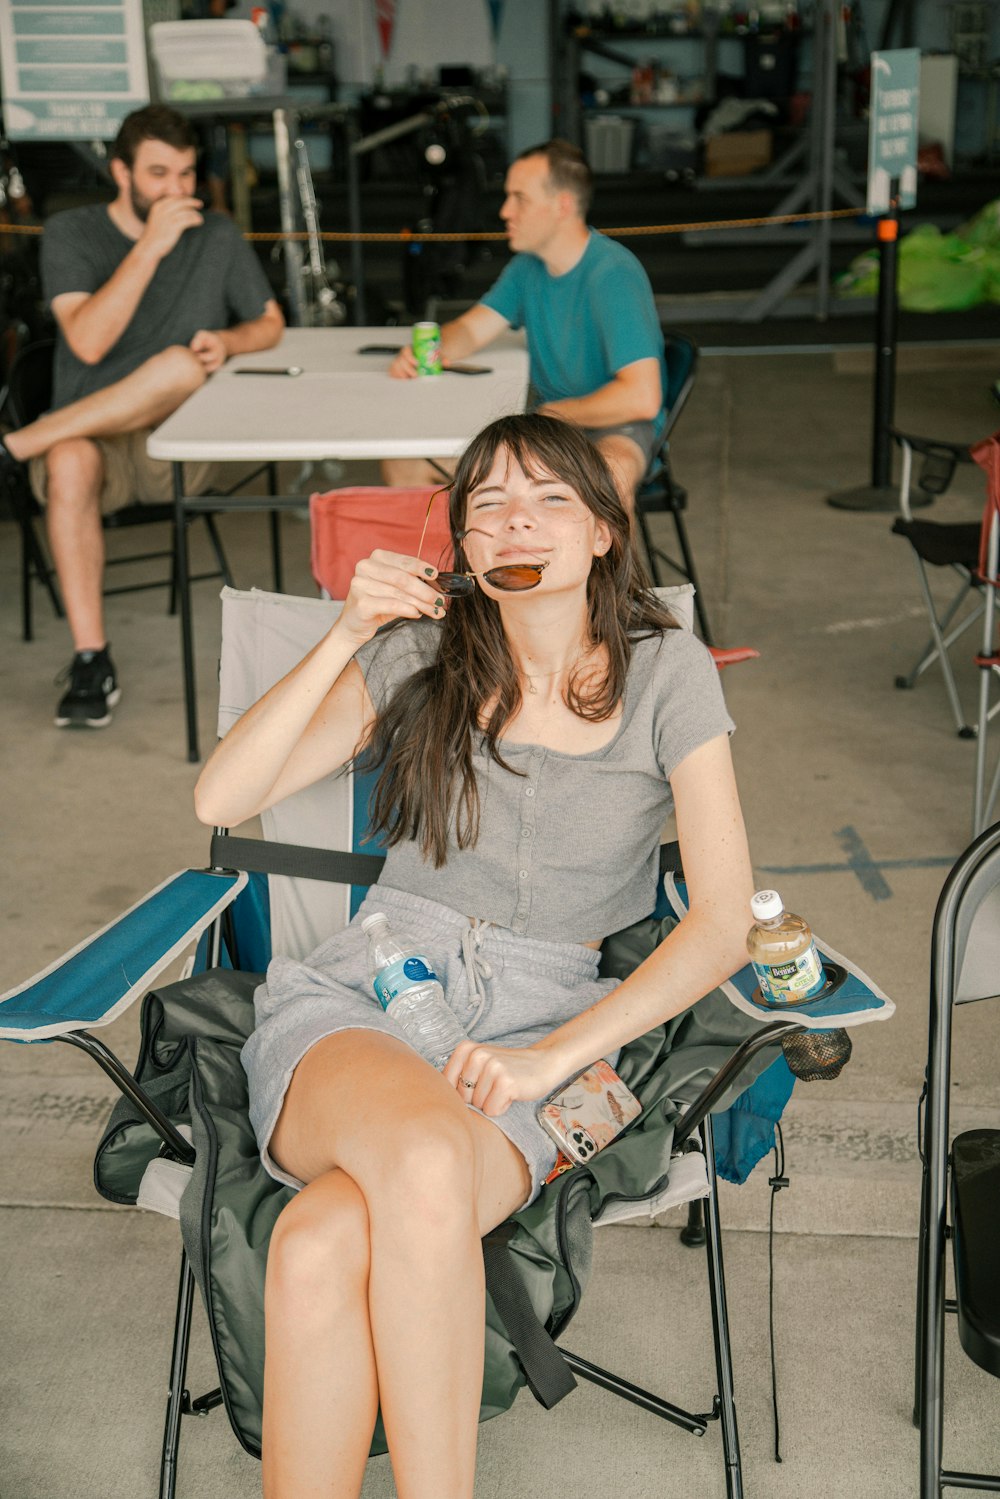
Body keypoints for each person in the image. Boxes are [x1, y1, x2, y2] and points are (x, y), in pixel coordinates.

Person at [193, 411, 753, 1499]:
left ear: (599, 532)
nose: (512, 521)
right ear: (461, 545)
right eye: (485, 503)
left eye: (546, 497)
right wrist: (346, 630)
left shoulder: (666, 673)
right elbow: (222, 796)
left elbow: (724, 918)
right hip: (366, 996)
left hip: (545, 1025)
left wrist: (553, 1060)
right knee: (427, 1160)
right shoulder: (416, 652)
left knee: (316, 1245)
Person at [0, 104, 285, 729]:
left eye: (186, 174)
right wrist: (150, 249)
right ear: (120, 171)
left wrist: (230, 342)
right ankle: (90, 659)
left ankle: (16, 446)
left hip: (174, 448)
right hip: (90, 441)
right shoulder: (72, 232)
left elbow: (270, 323)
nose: (177, 190)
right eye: (159, 174)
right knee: (71, 459)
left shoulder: (216, 235)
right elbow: (89, 343)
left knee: (184, 367)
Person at [385, 139, 667, 513]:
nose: (504, 211)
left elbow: (641, 398)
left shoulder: (612, 273)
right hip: (552, 424)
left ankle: (605, 575)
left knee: (606, 481)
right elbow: (471, 331)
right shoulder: (526, 268)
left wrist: (551, 415)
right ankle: (460, 570)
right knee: (403, 464)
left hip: (615, 426)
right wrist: (427, 351)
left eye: (520, 198)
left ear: (562, 206)